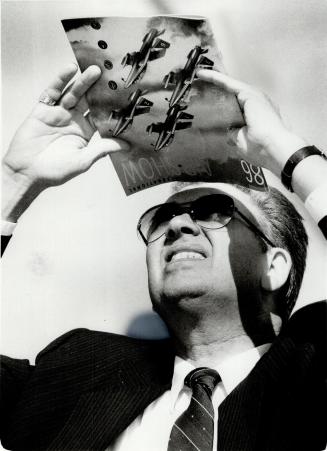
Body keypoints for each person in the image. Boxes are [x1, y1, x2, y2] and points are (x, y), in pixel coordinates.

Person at [1, 64, 326, 451]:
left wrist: (284, 151)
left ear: (274, 266)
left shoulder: (315, 367)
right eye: (162, 217)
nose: (178, 225)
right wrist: (14, 180)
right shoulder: (79, 370)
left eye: (212, 210)